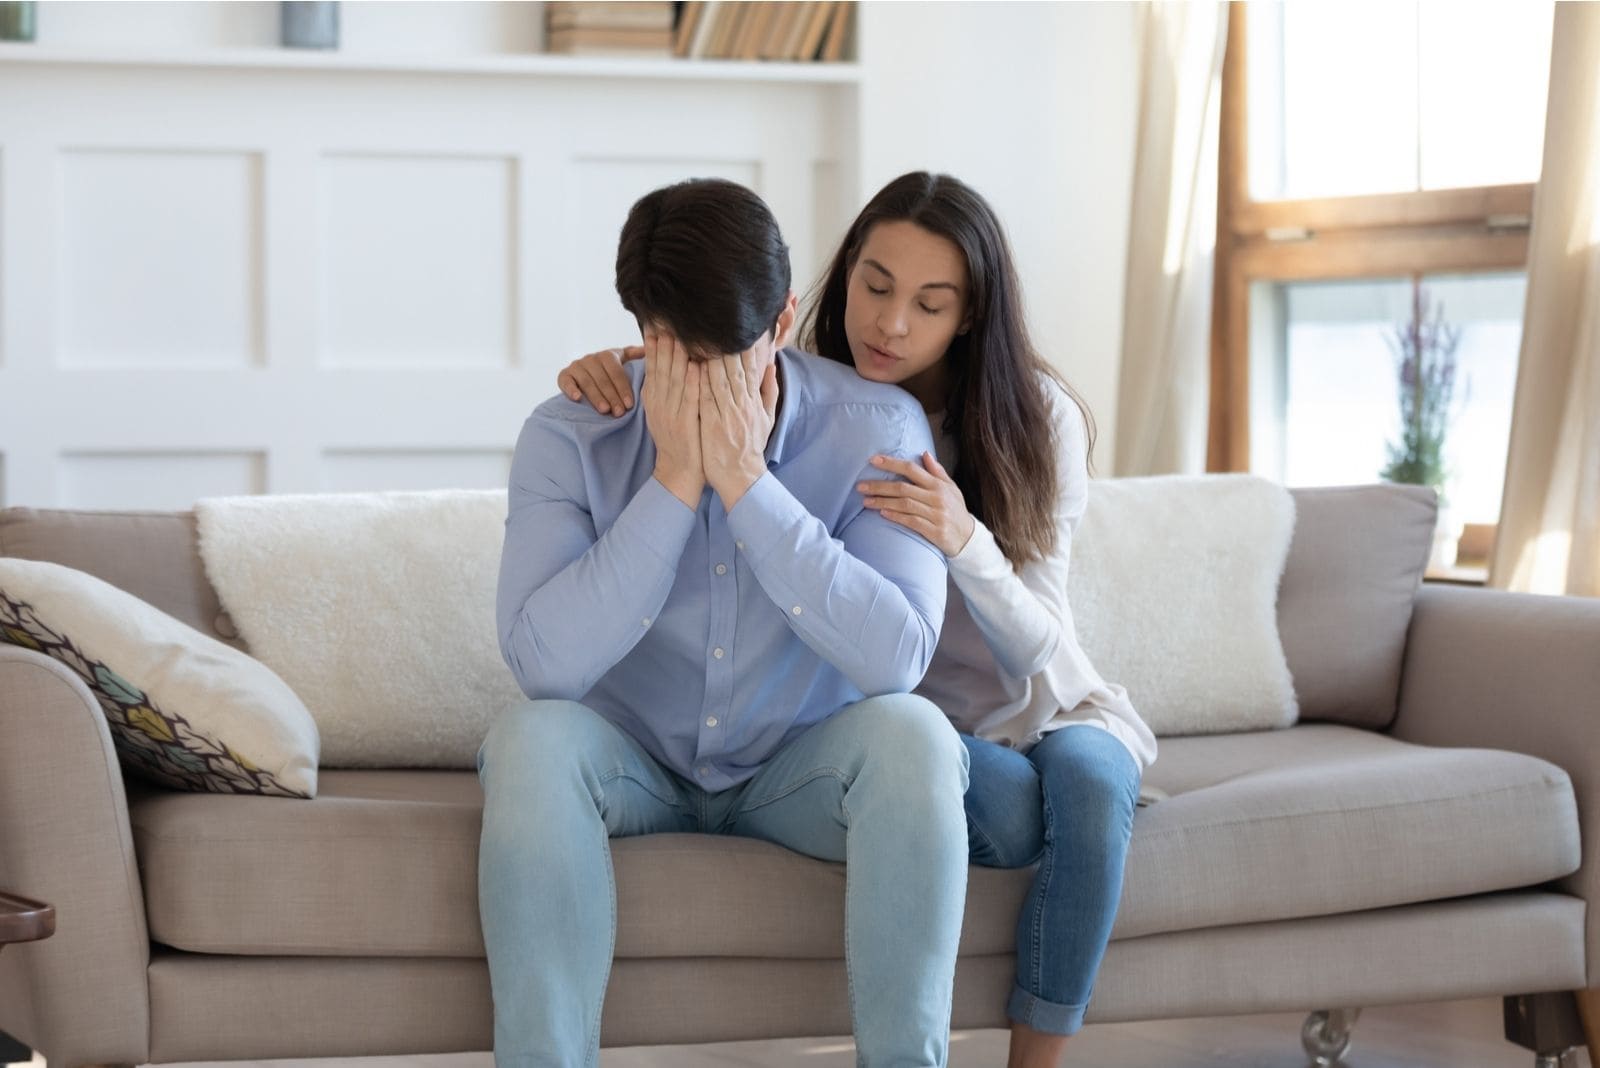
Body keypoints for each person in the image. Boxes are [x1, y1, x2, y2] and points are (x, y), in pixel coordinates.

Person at [557, 171, 1157, 1068]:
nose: (892, 324)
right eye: (875, 286)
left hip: (1041, 706)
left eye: (929, 303)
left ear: (972, 316)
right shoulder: (796, 396)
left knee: (1091, 784)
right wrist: (632, 366)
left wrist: (964, 541)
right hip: (907, 729)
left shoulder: (1040, 420)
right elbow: (703, 359)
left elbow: (1042, 645)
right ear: (838, 284)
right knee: (956, 773)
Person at [482, 176, 972, 1068]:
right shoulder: (569, 434)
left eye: (728, 357)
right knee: (529, 740)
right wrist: (673, 482)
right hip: (636, 765)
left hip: (798, 769)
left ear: (782, 323)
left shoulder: (879, 427)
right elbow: (545, 666)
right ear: (641, 332)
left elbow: (897, 654)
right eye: (677, 356)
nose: (703, 388)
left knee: (917, 736)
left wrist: (748, 484)